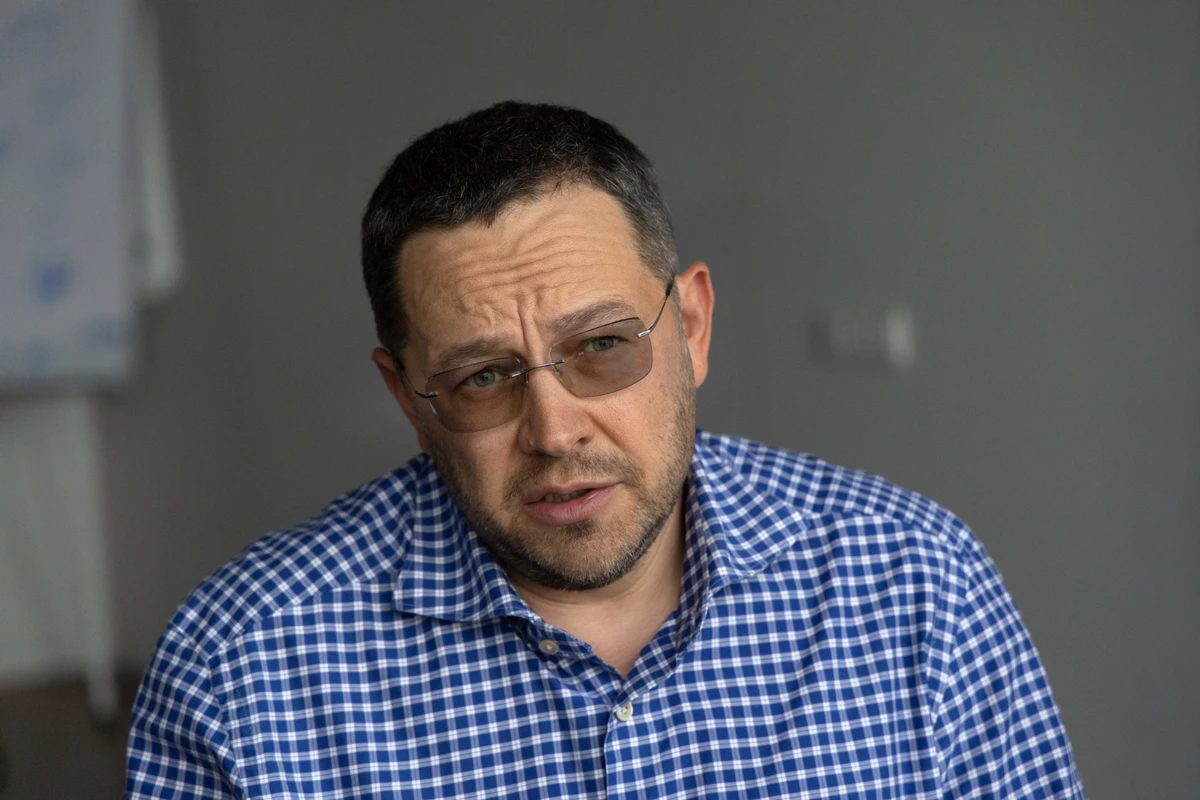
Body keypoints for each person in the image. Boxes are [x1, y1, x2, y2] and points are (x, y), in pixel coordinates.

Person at [126, 101, 1085, 798]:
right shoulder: (245, 669)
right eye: (483, 377)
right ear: (408, 399)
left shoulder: (917, 583)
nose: (554, 431)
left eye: (600, 347)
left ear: (692, 327)